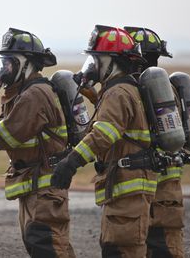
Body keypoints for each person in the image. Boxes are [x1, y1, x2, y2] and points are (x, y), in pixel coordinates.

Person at [0, 28, 75, 258]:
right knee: (44, 244)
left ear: (26, 65)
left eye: (9, 63)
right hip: (35, 186)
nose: (3, 70)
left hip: (44, 189)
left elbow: (8, 135)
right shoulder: (25, 93)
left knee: (48, 246)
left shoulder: (35, 94)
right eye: (3, 63)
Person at [51, 25, 157, 257]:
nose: (92, 65)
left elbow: (104, 134)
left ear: (112, 62)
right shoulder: (121, 89)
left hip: (128, 187)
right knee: (115, 247)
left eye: (96, 59)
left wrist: (71, 162)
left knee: (123, 250)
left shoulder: (118, 92)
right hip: (125, 187)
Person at [125, 26, 184, 258]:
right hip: (167, 179)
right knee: (164, 243)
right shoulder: (166, 89)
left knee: (159, 246)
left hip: (150, 177)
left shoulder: (139, 90)